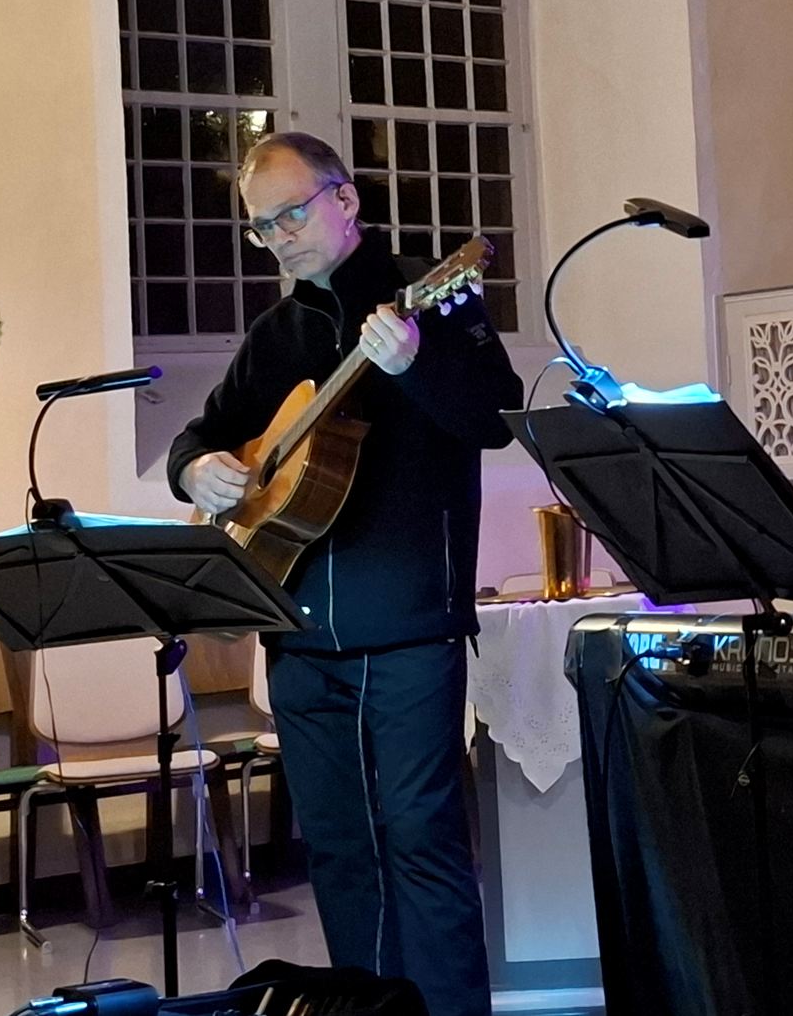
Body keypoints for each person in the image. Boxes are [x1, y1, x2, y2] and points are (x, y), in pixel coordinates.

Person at [169, 131, 523, 1016]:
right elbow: (200, 435)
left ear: (346, 199)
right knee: (335, 847)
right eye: (262, 227)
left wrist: (416, 365)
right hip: (296, 631)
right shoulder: (277, 334)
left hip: (409, 622)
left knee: (421, 841)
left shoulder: (430, 300)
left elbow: (495, 418)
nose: (280, 235)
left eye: (292, 213)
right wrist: (196, 470)